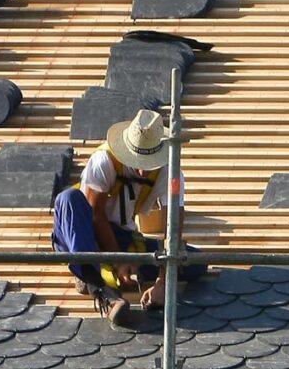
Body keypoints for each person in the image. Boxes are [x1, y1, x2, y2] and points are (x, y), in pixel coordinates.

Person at [50, 109, 187, 328]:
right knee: (68, 199)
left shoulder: (171, 171)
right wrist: (119, 260)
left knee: (193, 260)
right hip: (83, 233)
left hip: (122, 236)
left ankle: (99, 271)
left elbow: (175, 226)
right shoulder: (105, 160)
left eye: (150, 162)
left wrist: (164, 281)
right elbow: (96, 215)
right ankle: (103, 291)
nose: (143, 172)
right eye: (139, 161)